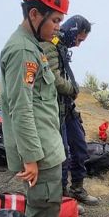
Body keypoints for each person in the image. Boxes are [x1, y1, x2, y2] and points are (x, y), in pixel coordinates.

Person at [0, 0, 77, 217]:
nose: (58, 27)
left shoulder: (34, 46)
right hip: (39, 151)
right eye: (55, 20)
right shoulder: (22, 51)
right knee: (43, 207)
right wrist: (31, 157)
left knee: (48, 203)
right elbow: (21, 107)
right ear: (35, 14)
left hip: (47, 143)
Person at [40, 15, 99, 206]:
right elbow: (54, 78)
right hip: (55, 109)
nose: (79, 44)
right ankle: (63, 198)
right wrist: (73, 89)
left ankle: (77, 189)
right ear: (74, 31)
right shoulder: (49, 44)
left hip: (67, 107)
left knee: (80, 147)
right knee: (62, 153)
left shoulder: (60, 45)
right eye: (79, 39)